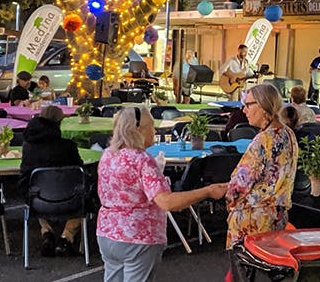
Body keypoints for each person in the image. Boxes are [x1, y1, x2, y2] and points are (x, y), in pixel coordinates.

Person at [96, 106, 227, 282]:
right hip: (138, 236)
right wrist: (207, 191)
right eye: (151, 125)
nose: (154, 130)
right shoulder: (142, 160)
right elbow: (166, 202)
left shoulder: (107, 156)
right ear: (138, 129)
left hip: (107, 233)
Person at [224, 83, 298, 252]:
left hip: (252, 221)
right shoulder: (289, 134)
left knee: (245, 272)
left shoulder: (262, 140)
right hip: (278, 218)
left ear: (264, 106)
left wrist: (229, 202)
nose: (244, 110)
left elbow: (237, 187)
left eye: (248, 104)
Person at [19, 106, 86, 256]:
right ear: (58, 123)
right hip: (69, 199)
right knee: (85, 194)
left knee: (36, 188)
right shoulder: (68, 146)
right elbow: (79, 172)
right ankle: (67, 236)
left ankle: (46, 231)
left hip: (38, 200)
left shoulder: (29, 146)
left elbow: (24, 176)